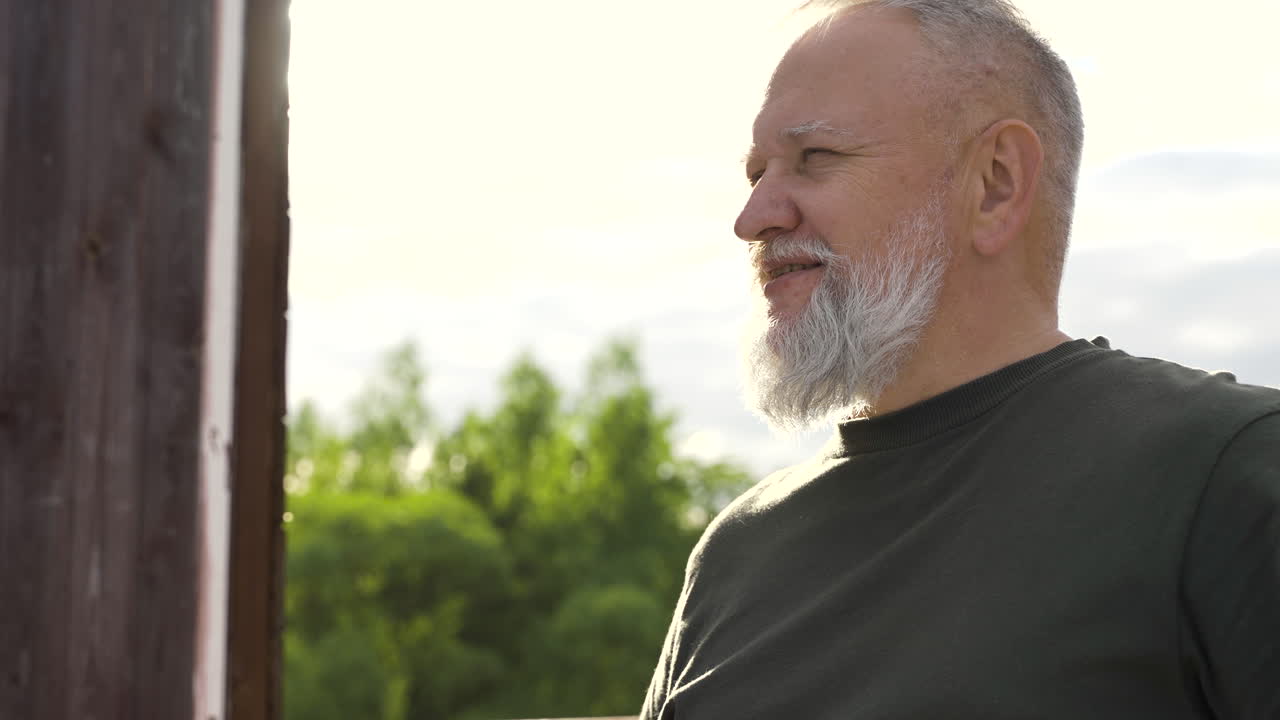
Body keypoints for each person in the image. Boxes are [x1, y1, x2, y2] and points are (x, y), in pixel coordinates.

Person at [640, 1, 1280, 718]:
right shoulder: (737, 552)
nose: (752, 218)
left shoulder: (1225, 474)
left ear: (997, 182)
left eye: (814, 158)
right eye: (756, 173)